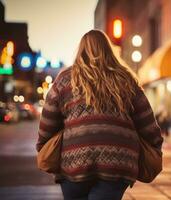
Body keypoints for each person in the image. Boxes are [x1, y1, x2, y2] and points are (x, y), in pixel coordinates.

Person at [36, 30, 163, 200]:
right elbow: (147, 123)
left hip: (75, 161)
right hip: (118, 161)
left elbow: (48, 122)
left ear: (81, 50)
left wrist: (43, 147)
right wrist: (155, 148)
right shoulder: (126, 79)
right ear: (108, 50)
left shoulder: (65, 79)